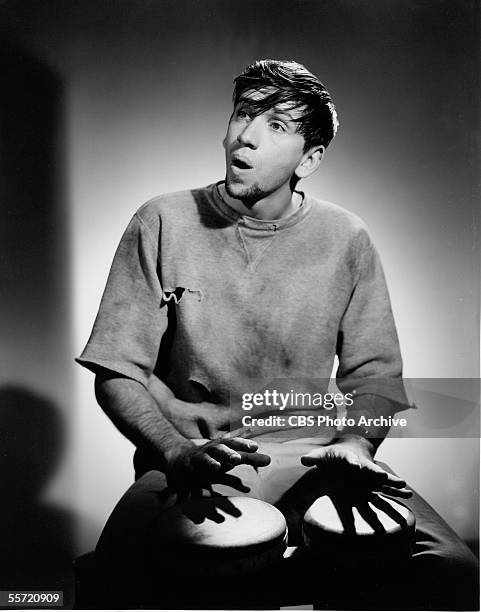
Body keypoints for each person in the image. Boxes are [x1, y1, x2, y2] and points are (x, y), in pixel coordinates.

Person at [77, 60, 478, 609]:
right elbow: (116, 371)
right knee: (113, 581)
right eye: (243, 114)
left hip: (319, 458)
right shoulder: (161, 221)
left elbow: (378, 376)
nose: (246, 134)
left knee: (451, 572)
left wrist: (357, 445)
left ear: (309, 159)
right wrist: (172, 451)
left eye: (276, 125)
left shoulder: (346, 237)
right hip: (197, 460)